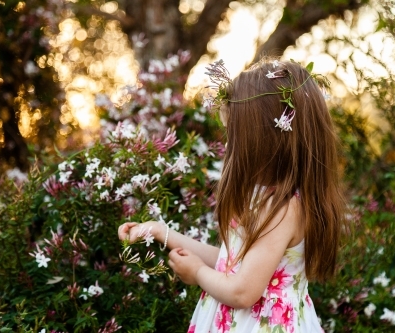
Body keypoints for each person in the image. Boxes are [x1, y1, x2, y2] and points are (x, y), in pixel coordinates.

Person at [118, 58, 343, 332]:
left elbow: (242, 292)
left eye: (236, 136)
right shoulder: (263, 196)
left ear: (264, 143)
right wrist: (159, 232)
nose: (230, 145)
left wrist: (198, 273)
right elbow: (232, 262)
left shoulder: (283, 209)